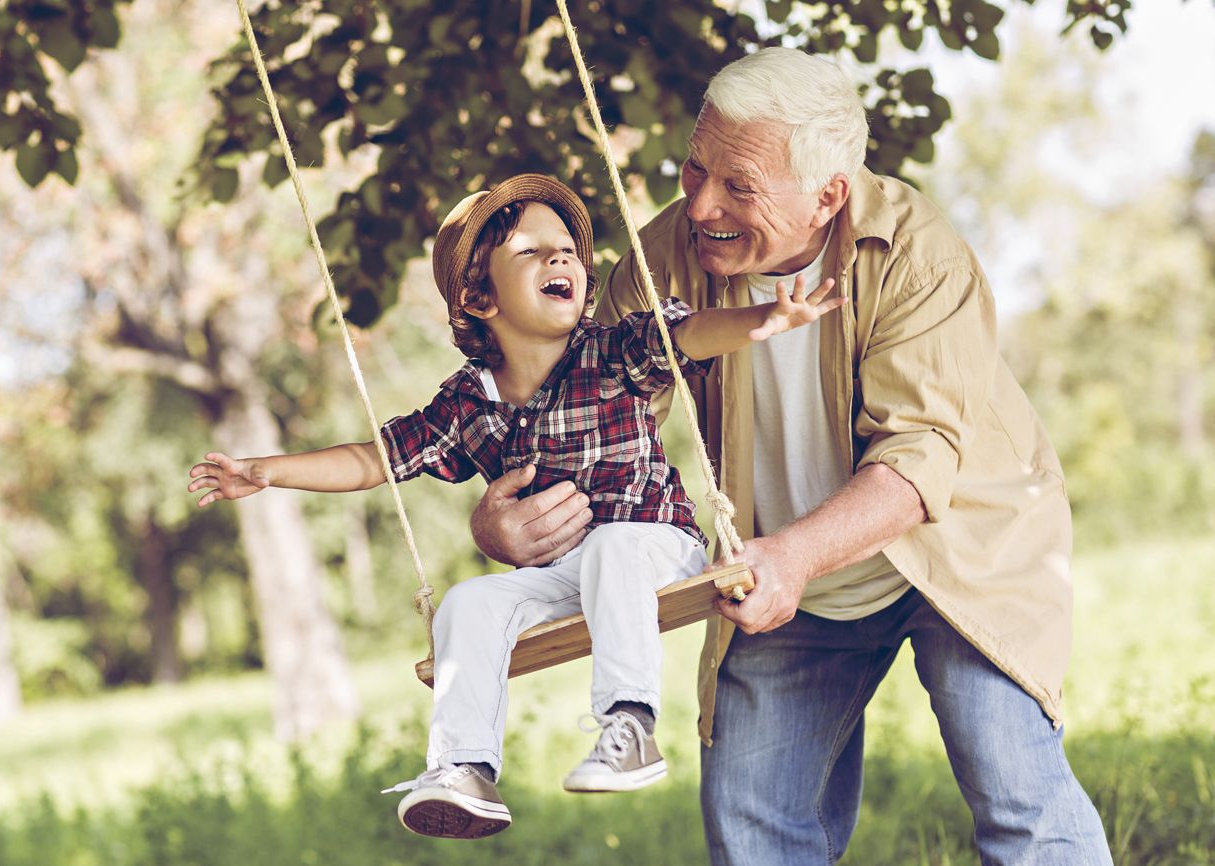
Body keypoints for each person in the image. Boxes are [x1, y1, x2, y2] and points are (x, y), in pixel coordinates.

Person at [469, 48, 1113, 865]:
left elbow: (919, 457)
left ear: (827, 196)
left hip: (957, 554)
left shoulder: (917, 254)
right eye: (694, 168)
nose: (701, 204)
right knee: (752, 824)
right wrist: (510, 520)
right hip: (783, 572)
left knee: (1016, 788)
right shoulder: (665, 261)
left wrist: (797, 556)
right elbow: (578, 415)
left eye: (738, 185)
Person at [188, 173, 843, 840]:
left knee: (615, 547)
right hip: (569, 573)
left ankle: (630, 725)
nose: (561, 259)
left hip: (653, 548)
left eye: (566, 251)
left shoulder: (615, 351)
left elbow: (697, 334)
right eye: (531, 253)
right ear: (479, 296)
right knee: (470, 603)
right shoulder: (467, 402)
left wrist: (766, 320)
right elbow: (374, 459)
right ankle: (464, 769)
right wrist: (267, 471)